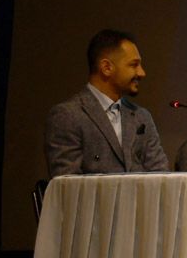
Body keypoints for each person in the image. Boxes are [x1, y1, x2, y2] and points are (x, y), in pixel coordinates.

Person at [44, 29, 169, 177]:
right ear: (106, 68)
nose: (142, 73)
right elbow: (69, 184)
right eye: (134, 65)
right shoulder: (68, 115)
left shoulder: (141, 117)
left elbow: (161, 177)